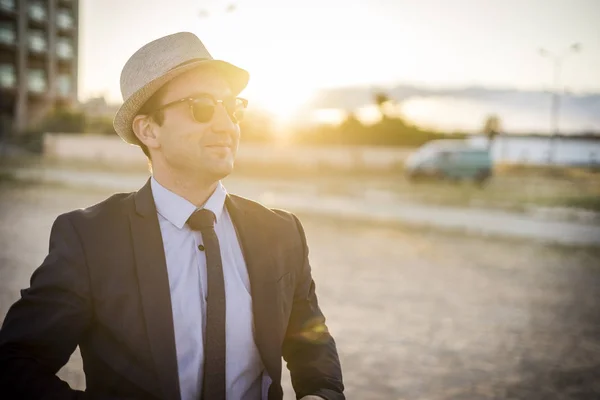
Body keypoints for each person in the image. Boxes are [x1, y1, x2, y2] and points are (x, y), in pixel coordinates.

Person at [0, 32, 344, 400]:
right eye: (202, 106)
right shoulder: (90, 238)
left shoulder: (281, 231)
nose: (227, 125)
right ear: (148, 129)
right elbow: (17, 363)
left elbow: (311, 340)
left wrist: (320, 393)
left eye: (232, 107)